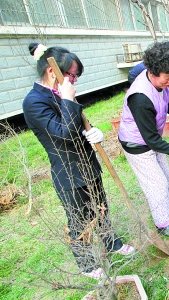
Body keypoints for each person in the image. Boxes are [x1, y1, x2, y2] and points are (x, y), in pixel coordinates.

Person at [22, 43, 134, 280]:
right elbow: (63, 134)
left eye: (75, 76)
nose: (74, 80)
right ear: (53, 71)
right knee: (79, 220)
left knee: (101, 209)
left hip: (88, 166)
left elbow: (78, 124)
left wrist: (93, 132)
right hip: (69, 174)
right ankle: (87, 263)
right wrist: (69, 100)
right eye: (71, 75)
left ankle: (111, 243)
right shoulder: (34, 102)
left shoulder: (60, 93)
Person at [118, 41, 169, 237]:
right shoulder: (140, 97)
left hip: (151, 137)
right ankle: (162, 224)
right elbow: (152, 141)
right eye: (167, 77)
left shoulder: (161, 82)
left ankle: (167, 210)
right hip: (137, 144)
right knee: (156, 183)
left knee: (164, 175)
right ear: (153, 71)